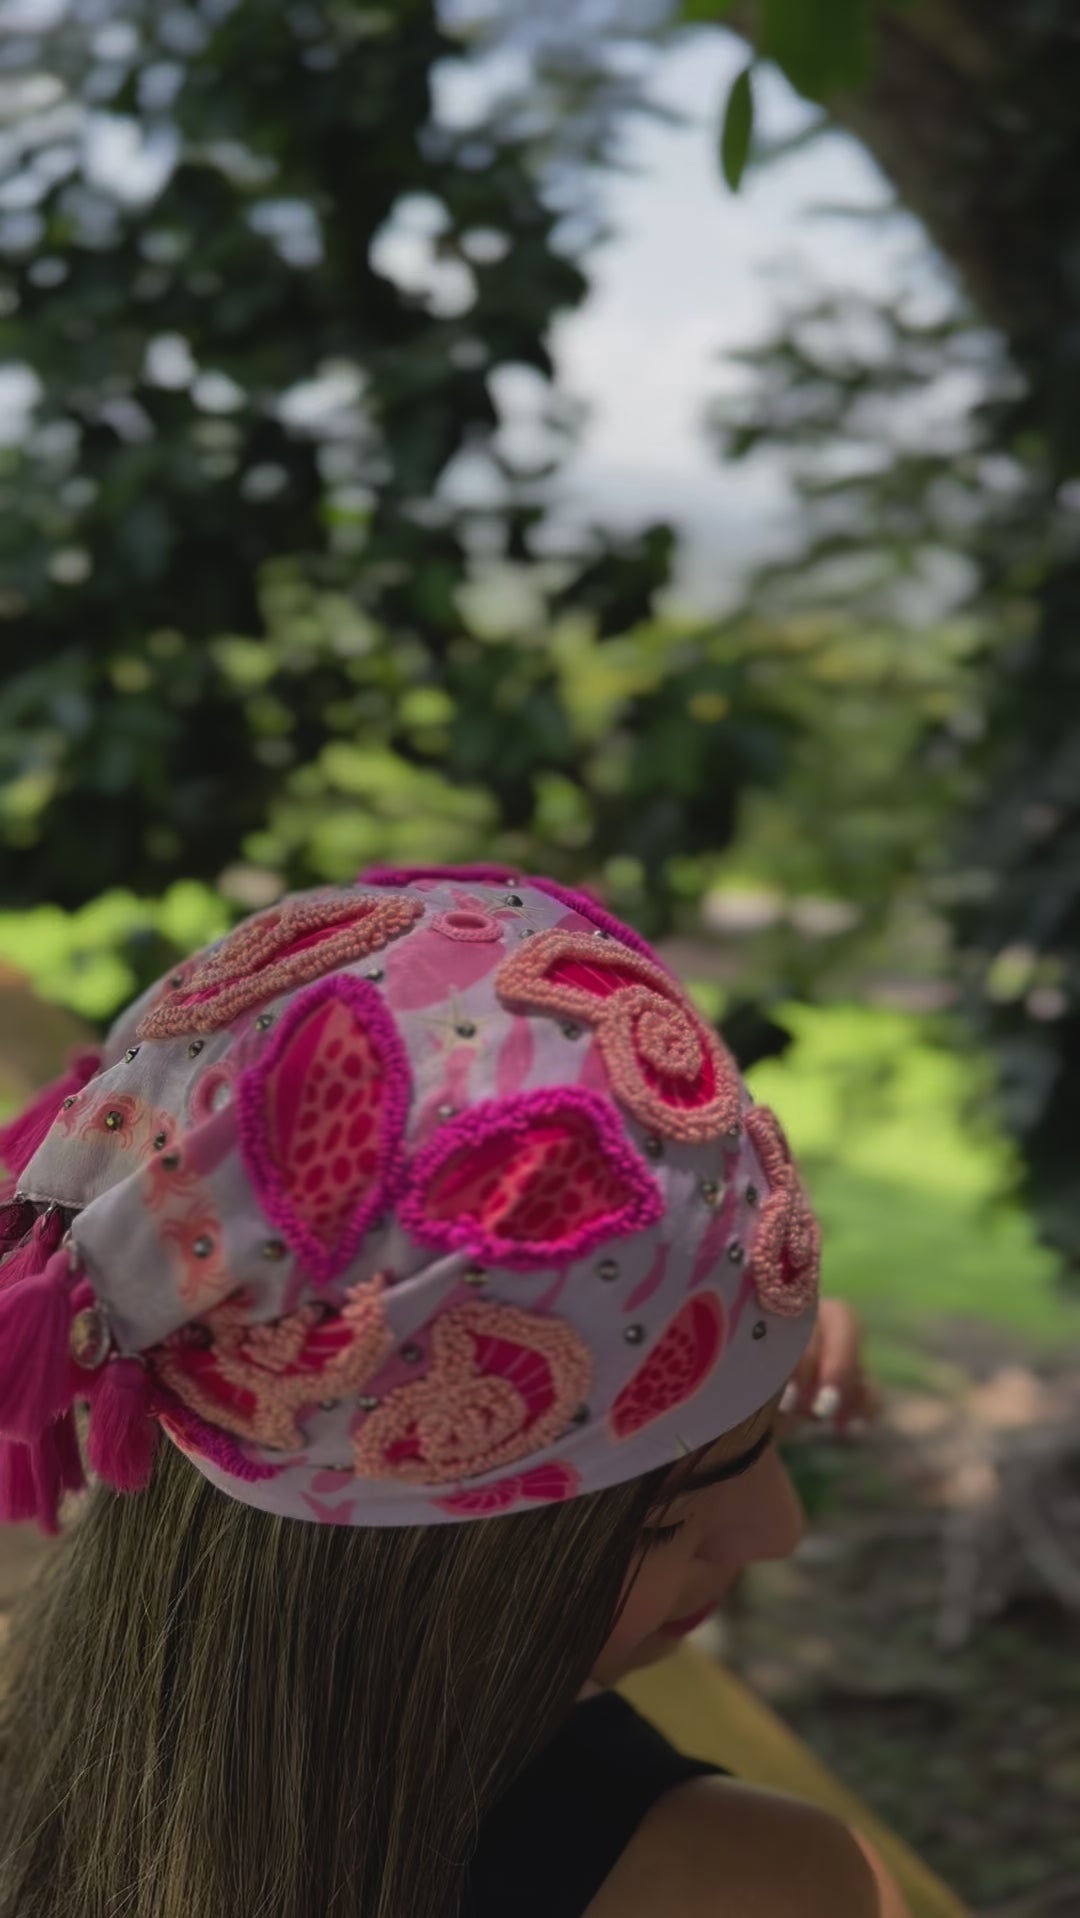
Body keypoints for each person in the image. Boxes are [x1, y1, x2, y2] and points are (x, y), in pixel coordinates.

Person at [0, 866, 907, 1918]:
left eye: (767, 1430)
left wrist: (723, 1388)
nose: (781, 1531)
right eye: (659, 1517)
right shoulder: (754, 1882)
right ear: (414, 1568)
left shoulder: (74, 1764)